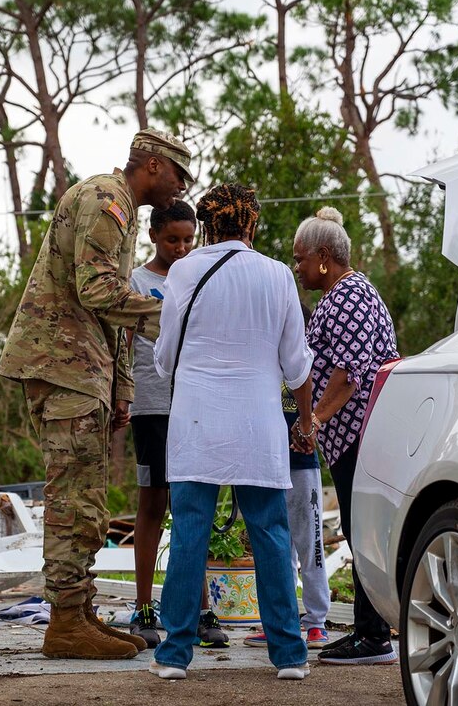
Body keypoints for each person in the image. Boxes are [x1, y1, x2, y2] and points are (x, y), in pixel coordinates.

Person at [0, 128, 193, 660]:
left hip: (85, 370)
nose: (181, 186)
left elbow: (111, 310)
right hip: (63, 366)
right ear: (152, 165)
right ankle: (63, 621)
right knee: (70, 502)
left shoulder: (119, 208)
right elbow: (99, 291)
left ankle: (78, 611)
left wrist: (122, 385)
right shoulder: (107, 202)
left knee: (88, 499)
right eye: (178, 173)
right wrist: (174, 317)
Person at [148, 184, 315, 682]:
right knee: (269, 532)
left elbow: (164, 358)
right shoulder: (278, 274)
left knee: (190, 533)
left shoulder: (183, 271)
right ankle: (289, 654)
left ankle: (175, 654)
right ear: (251, 224)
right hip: (258, 422)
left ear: (205, 225)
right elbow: (296, 364)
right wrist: (305, 423)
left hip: (196, 420)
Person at [291, 206, 399, 666]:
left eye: (299, 259)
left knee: (363, 532)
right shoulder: (340, 294)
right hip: (351, 433)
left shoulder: (351, 295)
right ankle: (369, 631)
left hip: (361, 432)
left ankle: (373, 637)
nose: (296, 267)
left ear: (322, 257)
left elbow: (349, 373)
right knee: (359, 531)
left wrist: (313, 419)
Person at [127, 201, 228, 649]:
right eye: (173, 240)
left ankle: (200, 608)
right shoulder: (137, 281)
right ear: (153, 235)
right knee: (153, 504)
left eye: (189, 240)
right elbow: (123, 344)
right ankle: (145, 607)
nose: (182, 248)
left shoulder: (201, 277)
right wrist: (120, 396)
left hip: (195, 404)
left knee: (194, 504)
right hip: (150, 406)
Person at [244, 302, 330, 650]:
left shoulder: (311, 366)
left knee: (310, 543)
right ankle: (279, 620)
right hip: (267, 462)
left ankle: (316, 621)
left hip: (302, 465)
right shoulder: (264, 363)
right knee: (276, 546)